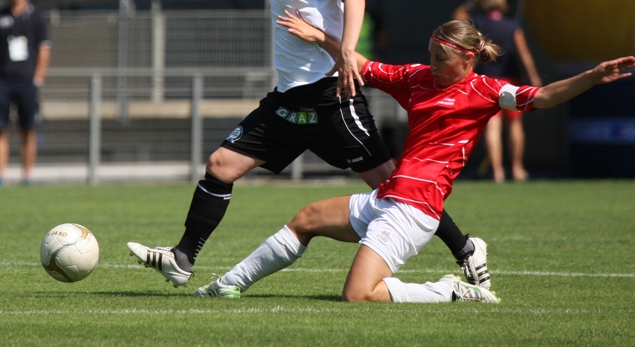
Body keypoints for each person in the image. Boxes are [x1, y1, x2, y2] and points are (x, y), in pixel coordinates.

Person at [127, 0, 489, 290]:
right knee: (220, 166)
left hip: (327, 99)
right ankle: (182, 259)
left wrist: (347, 53)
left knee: (395, 186)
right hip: (287, 100)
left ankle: (466, 249)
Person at [193, 16, 634, 303]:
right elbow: (363, 65)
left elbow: (544, 97)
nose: (433, 64)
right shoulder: (419, 78)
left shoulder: (485, 90)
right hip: (389, 196)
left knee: (357, 296)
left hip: (416, 207)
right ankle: (227, 285)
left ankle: (452, 293)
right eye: (430, 55)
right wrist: (322, 38)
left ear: (467, 57)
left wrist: (593, 77)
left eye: (441, 58)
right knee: (307, 217)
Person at [454, 0, 542, 182]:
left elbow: (457, 17)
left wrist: (472, 0)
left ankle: (497, 171)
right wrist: (534, 77)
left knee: (492, 127)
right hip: (510, 82)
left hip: (485, 84)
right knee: (515, 124)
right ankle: (518, 169)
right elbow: (524, 55)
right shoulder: (512, 26)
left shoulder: (477, 23)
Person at [0, 0, 51, 186]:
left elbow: (44, 48)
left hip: (27, 81)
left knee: (28, 128)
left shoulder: (35, 17)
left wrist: (38, 77)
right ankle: (1, 175)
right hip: (3, 81)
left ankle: (27, 176)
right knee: (1, 128)